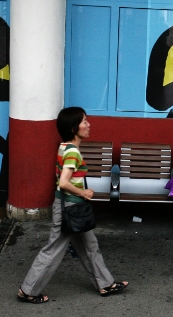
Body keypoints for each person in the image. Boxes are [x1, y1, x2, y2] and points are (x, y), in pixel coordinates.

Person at [17, 107, 128, 303]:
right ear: (73, 127)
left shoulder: (65, 146)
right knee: (54, 248)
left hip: (73, 206)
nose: (88, 124)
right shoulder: (72, 152)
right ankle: (28, 291)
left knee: (89, 245)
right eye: (84, 121)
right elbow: (64, 182)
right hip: (69, 207)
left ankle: (104, 284)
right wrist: (83, 192)